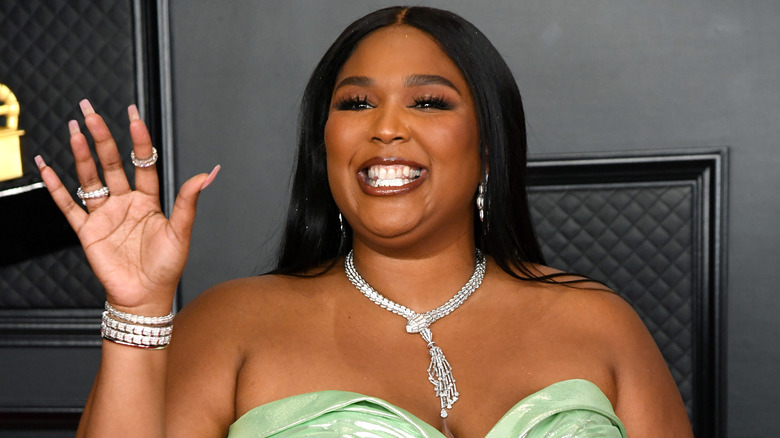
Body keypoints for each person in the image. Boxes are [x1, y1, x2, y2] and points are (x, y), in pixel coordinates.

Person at [35, 6, 693, 438]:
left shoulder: (599, 323)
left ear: (487, 143)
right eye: (356, 103)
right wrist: (140, 309)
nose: (385, 128)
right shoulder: (231, 324)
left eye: (429, 102)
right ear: (325, 144)